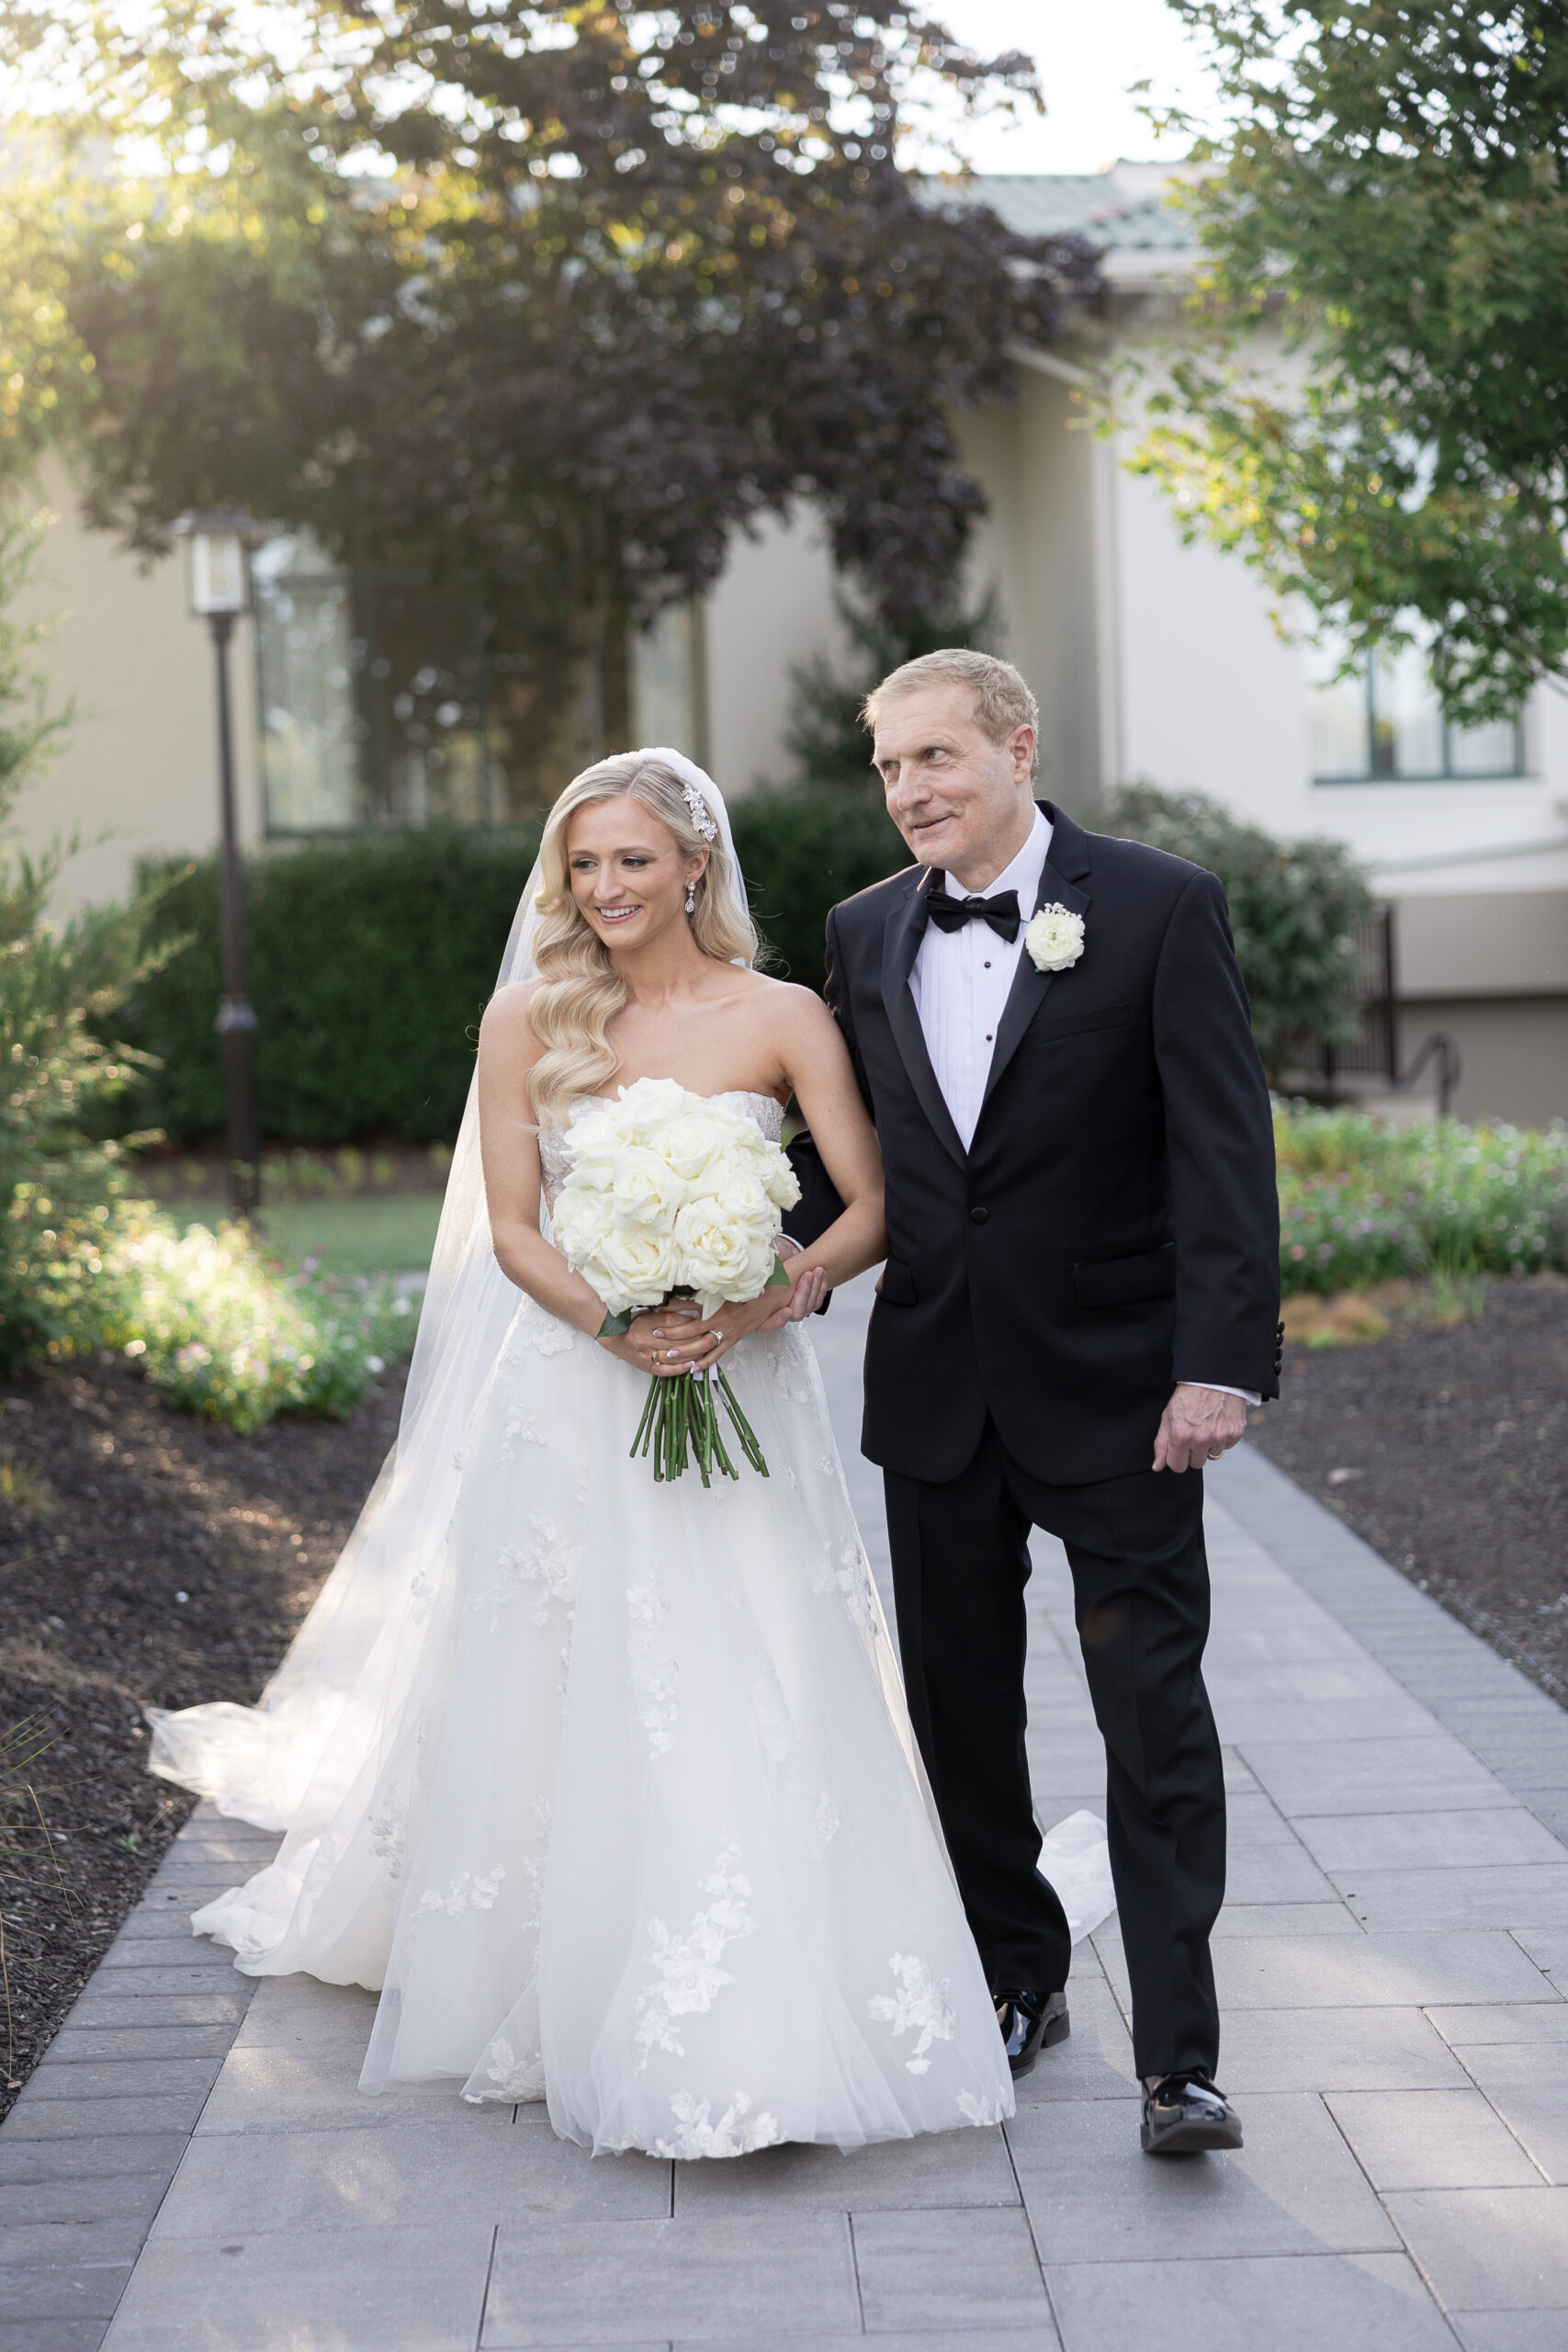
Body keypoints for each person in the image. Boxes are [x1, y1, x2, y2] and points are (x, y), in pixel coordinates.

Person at [147, 748, 1111, 2160]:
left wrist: (772, 1288)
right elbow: (514, 1227)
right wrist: (616, 1324)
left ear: (694, 868)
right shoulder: (526, 1020)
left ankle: (771, 1974)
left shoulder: (784, 1015)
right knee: (575, 1664)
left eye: (632, 862)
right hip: (577, 1393)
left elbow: (877, 1201)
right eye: (583, 865)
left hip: (742, 1382)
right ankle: (564, 1959)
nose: (603, 888)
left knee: (751, 1649)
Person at [782, 651, 1281, 2156]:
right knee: (958, 1717)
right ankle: (1017, 1974)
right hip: (936, 1385)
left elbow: (1222, 1148)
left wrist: (1220, 1362)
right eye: (889, 769)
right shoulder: (862, 933)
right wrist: (719, 1251)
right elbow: (831, 1158)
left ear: (1018, 749)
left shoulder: (1156, 903)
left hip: (1124, 1393)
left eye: (937, 759)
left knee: (1154, 1718)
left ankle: (1181, 2061)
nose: (911, 792)